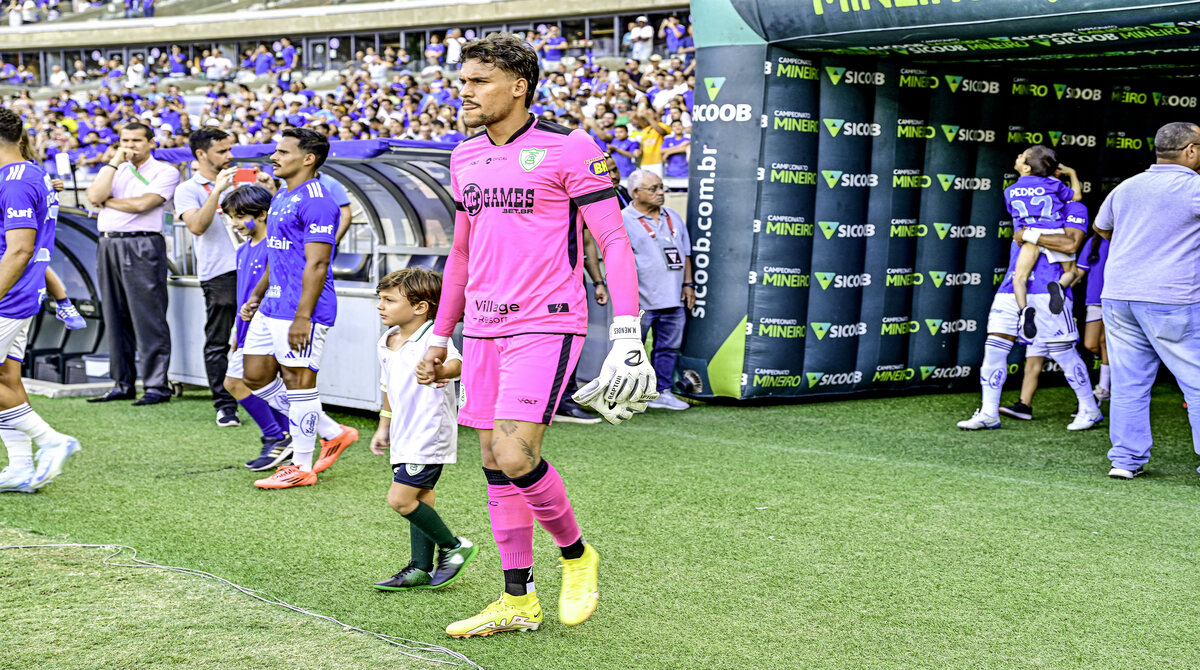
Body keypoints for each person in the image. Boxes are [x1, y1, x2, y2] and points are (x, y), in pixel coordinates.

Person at [424, 33, 655, 638]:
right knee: (492, 463)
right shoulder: (465, 155)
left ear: (518, 85)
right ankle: (517, 601)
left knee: (513, 452)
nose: (464, 93)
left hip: (547, 319)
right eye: (463, 81)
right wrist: (440, 333)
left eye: (478, 82)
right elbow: (462, 254)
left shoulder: (570, 147)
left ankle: (578, 557)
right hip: (484, 326)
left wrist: (627, 332)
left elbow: (613, 241)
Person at [240, 129, 358, 489]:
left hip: (301, 309)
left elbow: (318, 264)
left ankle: (301, 466)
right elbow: (279, 254)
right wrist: (259, 294)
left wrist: (303, 317)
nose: (274, 158)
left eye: (282, 152)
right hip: (272, 304)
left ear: (308, 158)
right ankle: (332, 431)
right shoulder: (281, 195)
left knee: (298, 383)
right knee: (255, 375)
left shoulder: (319, 201)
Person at [1094, 122, 1200, 480]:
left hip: (1119, 295)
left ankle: (1125, 460)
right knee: (1197, 382)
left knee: (1128, 382)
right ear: (1190, 151)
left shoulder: (1127, 186)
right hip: (1172, 297)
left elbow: (1102, 227)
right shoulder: (1195, 187)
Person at [370, 267, 477, 591]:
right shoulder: (386, 341)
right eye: (380, 299)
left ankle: (454, 547)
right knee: (422, 496)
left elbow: (458, 364)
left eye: (389, 300)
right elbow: (388, 386)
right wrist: (383, 425)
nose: (380, 306)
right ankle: (420, 568)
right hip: (403, 432)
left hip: (428, 433)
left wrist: (440, 368)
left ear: (420, 306)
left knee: (401, 500)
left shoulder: (435, 338)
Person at [958, 201, 1102, 431]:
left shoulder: (1071, 207)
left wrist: (1032, 234)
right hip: (1012, 288)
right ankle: (988, 412)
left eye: (1024, 161)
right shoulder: (1018, 201)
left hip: (1047, 291)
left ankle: (1090, 409)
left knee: (1062, 352)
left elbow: (1072, 244)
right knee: (994, 346)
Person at [0, 108, 81, 493]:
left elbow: (19, 250)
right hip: (20, 295)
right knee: (6, 379)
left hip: (7, 296)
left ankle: (51, 440)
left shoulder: (16, 180)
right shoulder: (29, 173)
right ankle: (19, 467)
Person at [85, 122, 179, 405]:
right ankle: (122, 382)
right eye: (125, 140)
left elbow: (143, 204)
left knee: (148, 315)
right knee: (114, 315)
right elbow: (93, 197)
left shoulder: (165, 171)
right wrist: (114, 161)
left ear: (151, 142)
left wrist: (108, 202)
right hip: (108, 242)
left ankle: (156, 385)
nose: (130, 145)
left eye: (137, 140)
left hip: (143, 242)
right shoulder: (114, 169)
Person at [174, 128, 241, 427]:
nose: (229, 156)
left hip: (256, 267)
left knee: (262, 337)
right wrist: (216, 190)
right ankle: (225, 405)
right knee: (219, 340)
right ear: (201, 155)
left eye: (230, 150)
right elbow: (197, 227)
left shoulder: (240, 181)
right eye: (222, 151)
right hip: (218, 272)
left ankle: (264, 399)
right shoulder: (187, 189)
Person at [621, 169, 693, 410]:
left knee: (668, 348)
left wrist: (688, 284)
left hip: (673, 297)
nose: (660, 192)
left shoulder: (672, 216)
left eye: (662, 187)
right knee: (632, 349)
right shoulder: (623, 219)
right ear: (635, 192)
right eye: (653, 189)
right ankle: (629, 396)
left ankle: (662, 391)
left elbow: (686, 253)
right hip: (640, 299)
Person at [1004, 146, 1082, 339]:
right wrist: (1072, 173)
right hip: (1054, 232)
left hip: (1029, 234)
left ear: (1027, 168)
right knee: (1071, 271)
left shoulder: (1010, 190)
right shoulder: (1052, 184)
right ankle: (1059, 287)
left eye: (1022, 155)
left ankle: (1024, 311)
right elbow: (1077, 197)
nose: (1019, 155)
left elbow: (1012, 212)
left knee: (1019, 278)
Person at [1077, 233, 1111, 401]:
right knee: (1091, 344)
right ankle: (1122, 369)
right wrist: (1060, 287)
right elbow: (1080, 270)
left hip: (1116, 299)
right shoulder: (1093, 241)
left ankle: (1104, 388)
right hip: (1094, 299)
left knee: (1106, 342)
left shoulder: (1124, 237)